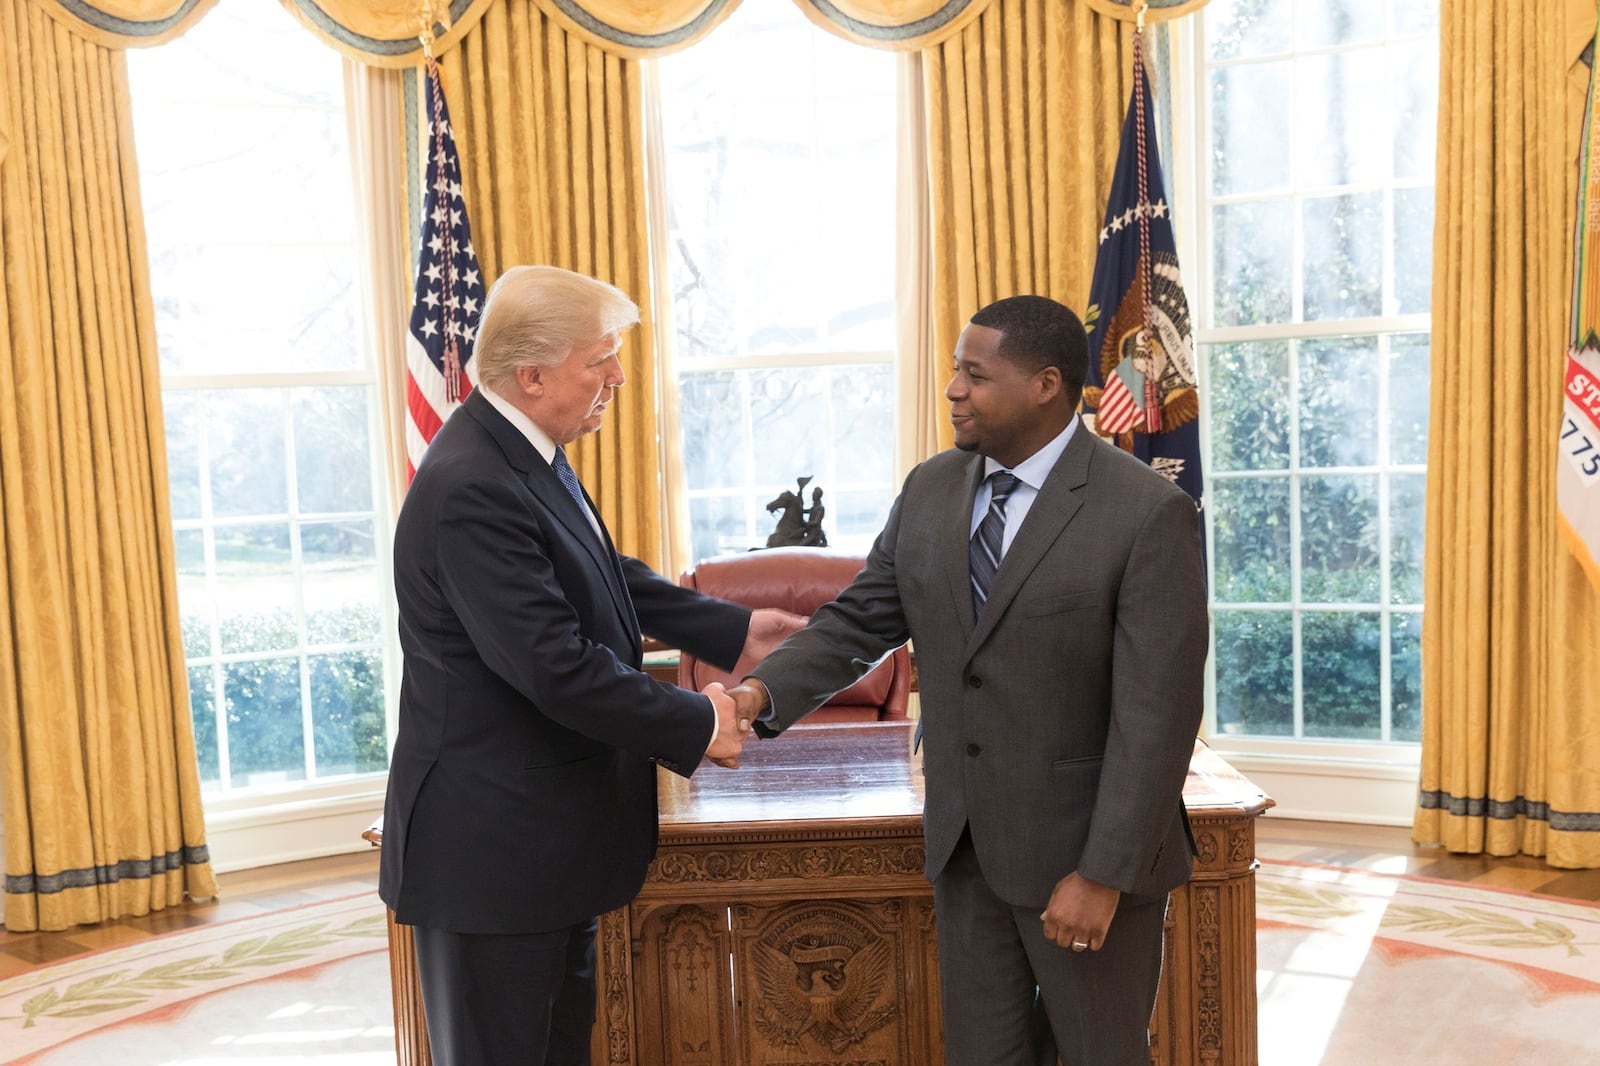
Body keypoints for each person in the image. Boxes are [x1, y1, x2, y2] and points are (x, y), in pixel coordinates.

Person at [726, 295, 1208, 1066]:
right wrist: (756, 695)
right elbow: (858, 622)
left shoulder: (1147, 512)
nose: (952, 389)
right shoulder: (930, 489)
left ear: (1046, 384)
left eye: (974, 375)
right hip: (966, 852)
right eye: (955, 370)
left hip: (1083, 859)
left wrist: (1102, 872)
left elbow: (1158, 715)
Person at [379, 265, 803, 1066]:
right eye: (597, 360)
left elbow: (600, 572)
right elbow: (554, 666)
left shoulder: (520, 450)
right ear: (531, 375)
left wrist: (732, 627)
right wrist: (700, 720)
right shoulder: (473, 484)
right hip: (492, 856)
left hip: (543, 841)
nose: (615, 376)